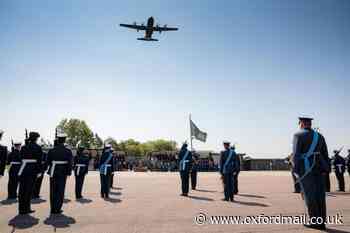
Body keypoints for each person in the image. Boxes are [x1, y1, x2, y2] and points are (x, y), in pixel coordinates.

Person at [292, 116, 329, 230]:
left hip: (306, 168)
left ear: (301, 124)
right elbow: (325, 154)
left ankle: (315, 222)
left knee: (310, 196)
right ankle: (321, 222)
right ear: (310, 124)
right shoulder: (320, 136)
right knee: (320, 196)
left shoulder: (298, 135)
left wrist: (295, 171)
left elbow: (296, 155)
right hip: (319, 168)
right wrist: (326, 169)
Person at [47, 133, 73, 214]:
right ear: (64, 140)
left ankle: (52, 208)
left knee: (53, 190)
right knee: (60, 190)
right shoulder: (68, 151)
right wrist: (69, 172)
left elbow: (48, 162)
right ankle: (58, 208)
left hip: (53, 171)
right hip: (63, 171)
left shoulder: (51, 150)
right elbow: (70, 163)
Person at [18, 132, 43, 215]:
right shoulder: (38, 147)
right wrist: (39, 171)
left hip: (23, 169)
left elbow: (20, 158)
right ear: (36, 139)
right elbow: (39, 161)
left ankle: (21, 209)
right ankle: (27, 208)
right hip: (32, 170)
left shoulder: (23, 147)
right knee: (29, 191)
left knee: (22, 189)